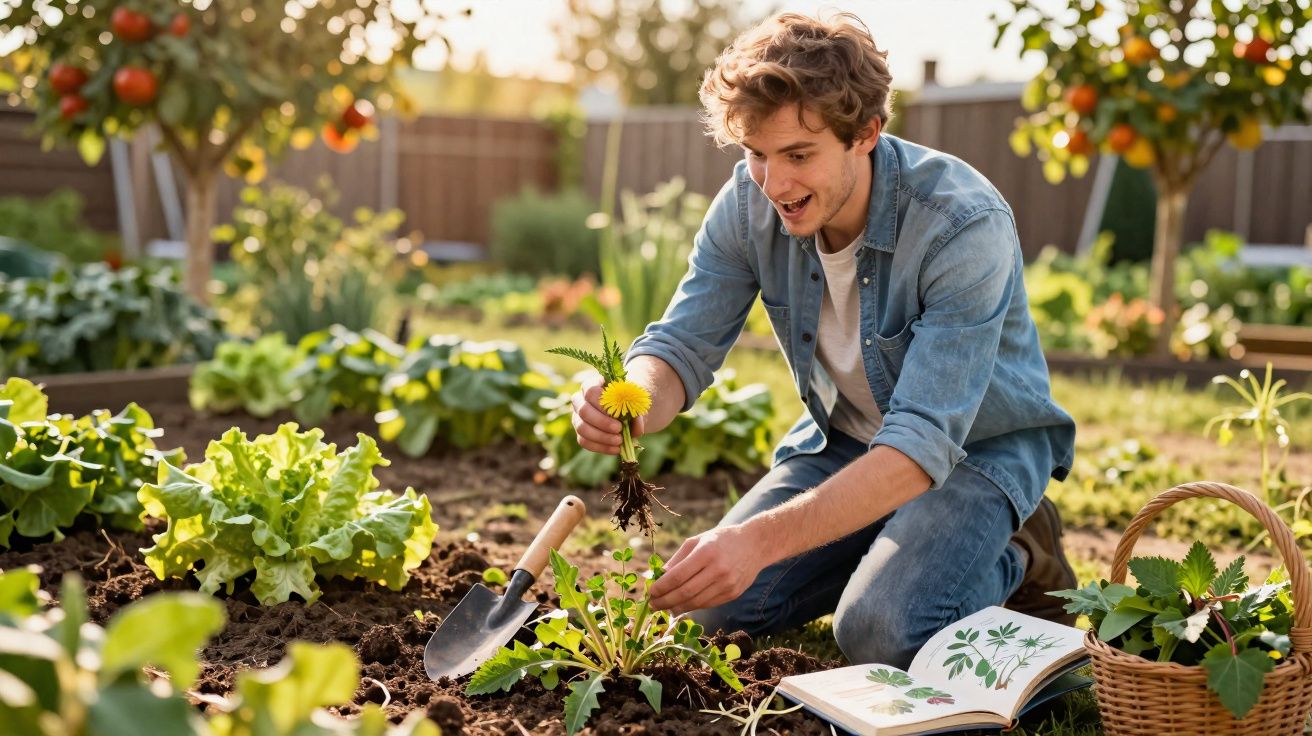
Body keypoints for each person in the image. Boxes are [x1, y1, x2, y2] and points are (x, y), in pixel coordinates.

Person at [569, 11, 1078, 669]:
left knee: (880, 632)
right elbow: (681, 345)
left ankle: (1018, 552)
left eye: (799, 155)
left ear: (866, 134)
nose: (774, 185)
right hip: (847, 443)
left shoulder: (959, 224)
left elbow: (921, 445)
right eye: (757, 154)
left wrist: (756, 542)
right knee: (702, 611)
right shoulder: (749, 205)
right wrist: (632, 397)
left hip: (973, 455)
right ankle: (884, 553)